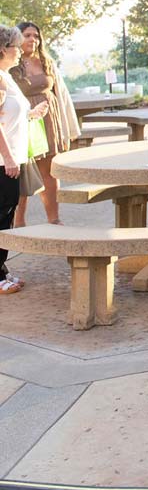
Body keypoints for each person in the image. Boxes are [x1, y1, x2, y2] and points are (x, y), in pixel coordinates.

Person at [12, 21, 79, 226]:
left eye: (36, 35)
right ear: (17, 38)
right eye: (27, 35)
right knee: (23, 173)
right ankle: (19, 223)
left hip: (49, 120)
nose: (33, 39)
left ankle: (54, 219)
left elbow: (61, 93)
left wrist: (69, 126)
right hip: (25, 121)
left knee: (49, 171)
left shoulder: (46, 61)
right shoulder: (10, 62)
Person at [0, 25, 48, 296]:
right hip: (3, 162)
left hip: (12, 159)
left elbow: (10, 116)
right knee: (1, 218)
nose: (20, 51)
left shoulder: (6, 76)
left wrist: (32, 115)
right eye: (16, 46)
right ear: (2, 49)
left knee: (6, 217)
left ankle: (2, 270)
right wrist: (7, 157)